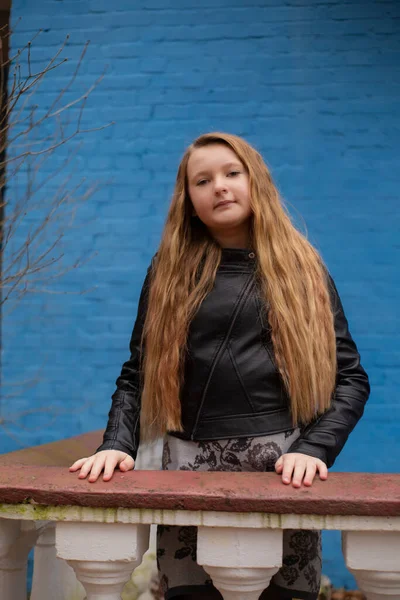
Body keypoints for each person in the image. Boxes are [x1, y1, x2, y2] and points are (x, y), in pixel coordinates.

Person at [70, 132, 370, 600]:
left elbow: (350, 379)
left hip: (280, 474)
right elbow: (139, 373)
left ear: (257, 182)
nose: (220, 187)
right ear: (188, 200)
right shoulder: (169, 271)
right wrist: (116, 442)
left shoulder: (303, 268)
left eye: (233, 173)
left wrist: (314, 450)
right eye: (203, 180)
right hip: (188, 471)